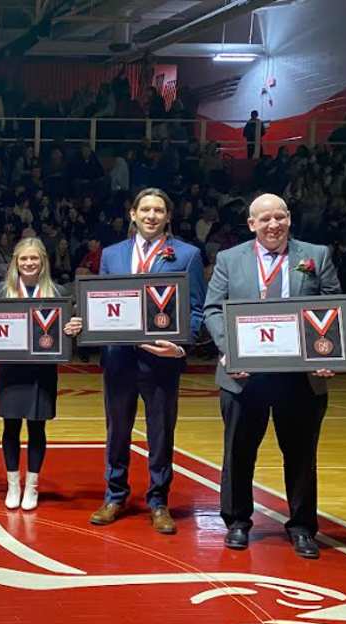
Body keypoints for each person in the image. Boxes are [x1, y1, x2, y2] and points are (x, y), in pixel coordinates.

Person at [203, 193, 340, 559]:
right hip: (243, 375)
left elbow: (331, 308)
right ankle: (236, 522)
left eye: (280, 217)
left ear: (289, 219)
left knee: (300, 455)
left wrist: (328, 353)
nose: (273, 224)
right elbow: (213, 310)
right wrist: (228, 348)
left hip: (299, 377)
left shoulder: (316, 255)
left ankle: (301, 527)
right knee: (238, 452)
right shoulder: (230, 260)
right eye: (264, 219)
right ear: (251, 224)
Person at [89, 188, 205, 535]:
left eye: (158, 210)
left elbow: (195, 309)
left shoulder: (187, 255)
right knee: (117, 431)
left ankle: (158, 501)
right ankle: (115, 495)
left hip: (162, 362)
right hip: (119, 357)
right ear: (133, 214)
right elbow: (102, 302)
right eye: (145, 210)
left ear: (168, 216)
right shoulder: (111, 255)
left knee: (160, 433)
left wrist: (180, 345)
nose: (151, 216)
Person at [0, 237, 83, 510]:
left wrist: (74, 328)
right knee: (10, 426)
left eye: (34, 259)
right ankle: (13, 484)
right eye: (23, 259)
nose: (29, 263)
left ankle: (32, 486)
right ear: (15, 263)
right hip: (11, 370)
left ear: (43, 262)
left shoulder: (57, 292)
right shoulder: (2, 290)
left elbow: (69, 332)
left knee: (37, 426)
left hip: (42, 371)